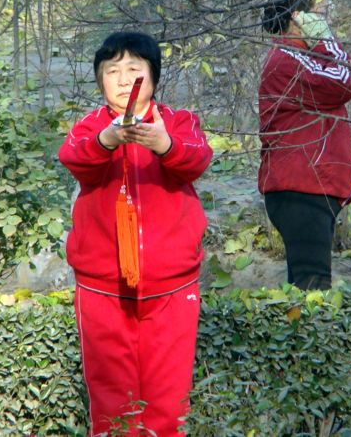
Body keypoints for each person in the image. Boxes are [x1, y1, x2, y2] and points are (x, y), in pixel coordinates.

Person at [58, 31, 213, 436]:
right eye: (113, 71)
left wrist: (165, 145)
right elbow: (73, 158)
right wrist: (107, 140)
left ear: (153, 77)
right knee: (112, 404)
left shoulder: (179, 123)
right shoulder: (89, 127)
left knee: (169, 402)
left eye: (134, 69)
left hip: (172, 287)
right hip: (103, 286)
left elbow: (197, 159)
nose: (124, 79)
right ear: (100, 81)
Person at [258, 0, 351, 291]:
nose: (326, 22)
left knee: (304, 290)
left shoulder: (303, 57)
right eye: (320, 14)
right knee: (312, 291)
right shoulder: (288, 59)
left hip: (311, 187)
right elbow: (344, 84)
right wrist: (328, 42)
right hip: (301, 189)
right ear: (297, 16)